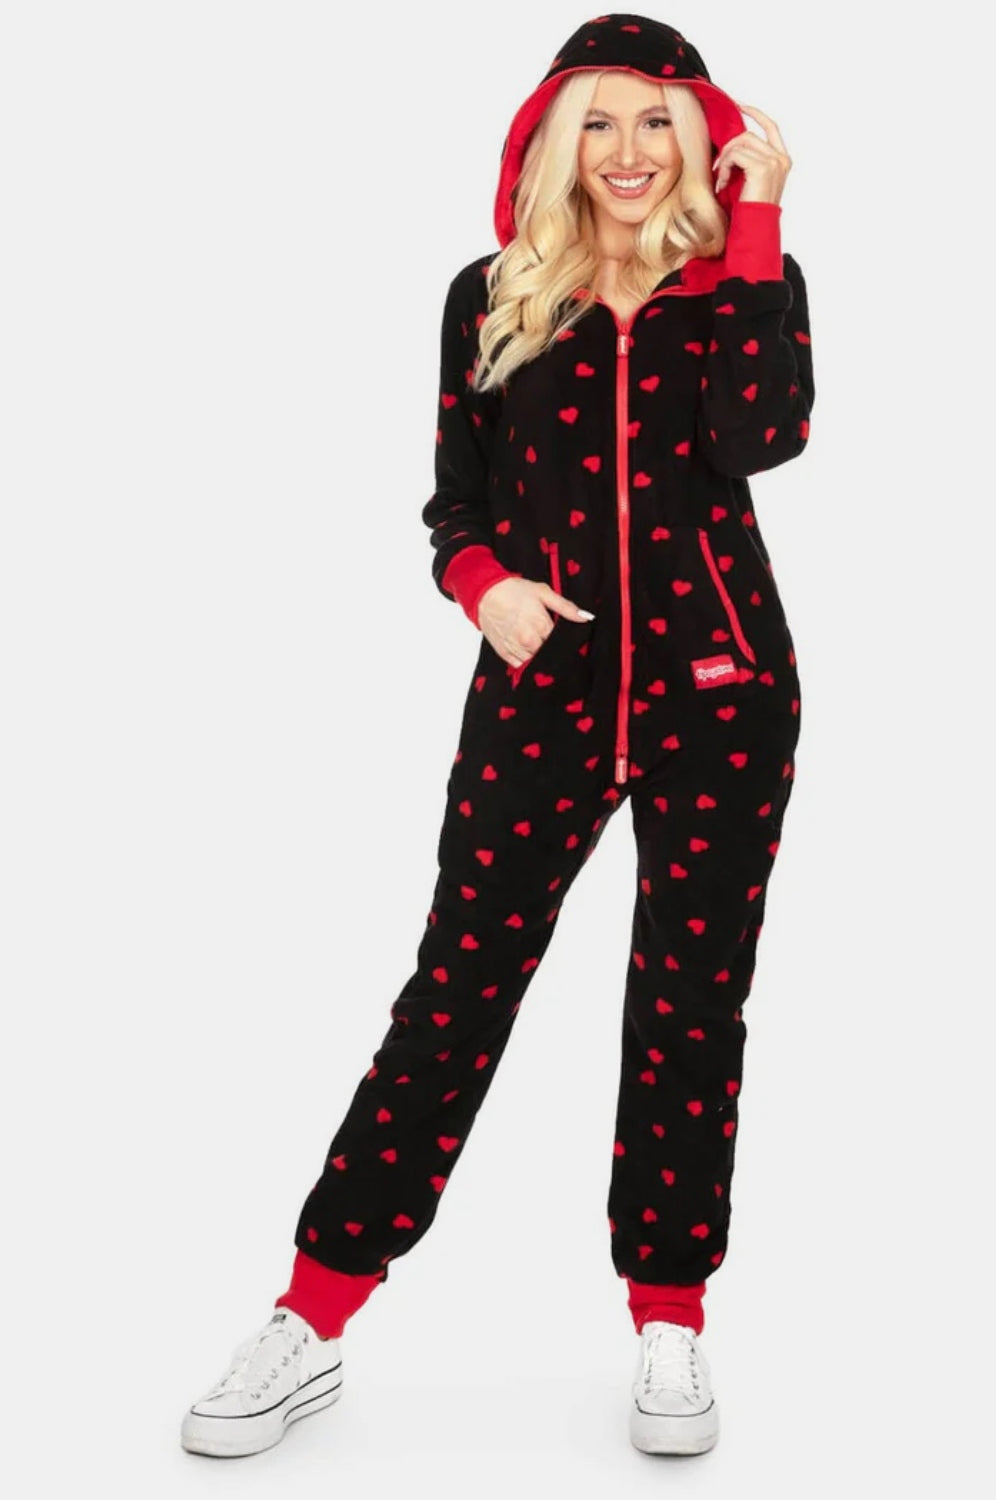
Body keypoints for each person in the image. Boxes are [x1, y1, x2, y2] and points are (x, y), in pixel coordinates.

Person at [181, 10, 814, 1462]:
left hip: (723, 697)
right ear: (550, 142)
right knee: (453, 997)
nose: (627, 151)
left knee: (689, 1006)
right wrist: (485, 588)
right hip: (542, 697)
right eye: (596, 121)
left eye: (655, 121)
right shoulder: (489, 292)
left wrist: (760, 226)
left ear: (699, 138)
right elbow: (454, 501)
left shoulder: (746, 282)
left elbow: (762, 437)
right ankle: (311, 1313)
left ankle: (669, 1319)